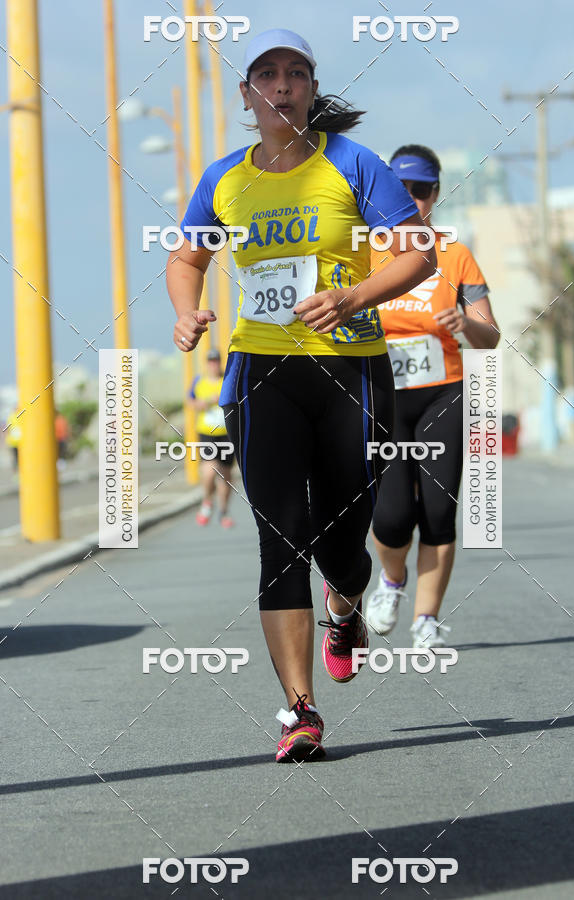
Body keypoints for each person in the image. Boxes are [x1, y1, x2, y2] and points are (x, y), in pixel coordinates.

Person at [167, 30, 436, 762]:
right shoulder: (224, 178)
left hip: (351, 368)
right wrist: (186, 310)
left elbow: (418, 253)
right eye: (267, 74)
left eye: (297, 73)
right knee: (281, 537)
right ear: (247, 94)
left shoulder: (354, 164)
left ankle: (344, 607)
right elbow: (187, 253)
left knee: (343, 544)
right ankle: (300, 711)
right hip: (263, 373)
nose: (282, 84)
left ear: (312, 91)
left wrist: (353, 296)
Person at [366, 144, 500, 647]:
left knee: (439, 512)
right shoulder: (367, 249)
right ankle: (392, 580)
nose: (412, 200)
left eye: (421, 191)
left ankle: (425, 619)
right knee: (392, 516)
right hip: (385, 395)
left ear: (435, 195)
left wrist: (465, 322)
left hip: (443, 391)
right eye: (401, 190)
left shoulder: (455, 253)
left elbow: (491, 335)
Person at [188, 348, 235, 528]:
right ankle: (207, 501)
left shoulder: (227, 379)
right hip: (207, 433)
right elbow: (190, 401)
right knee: (209, 471)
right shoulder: (199, 381)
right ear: (207, 363)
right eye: (211, 361)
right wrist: (203, 403)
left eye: (216, 361)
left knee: (225, 475)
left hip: (226, 433)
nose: (213, 364)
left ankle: (223, 511)